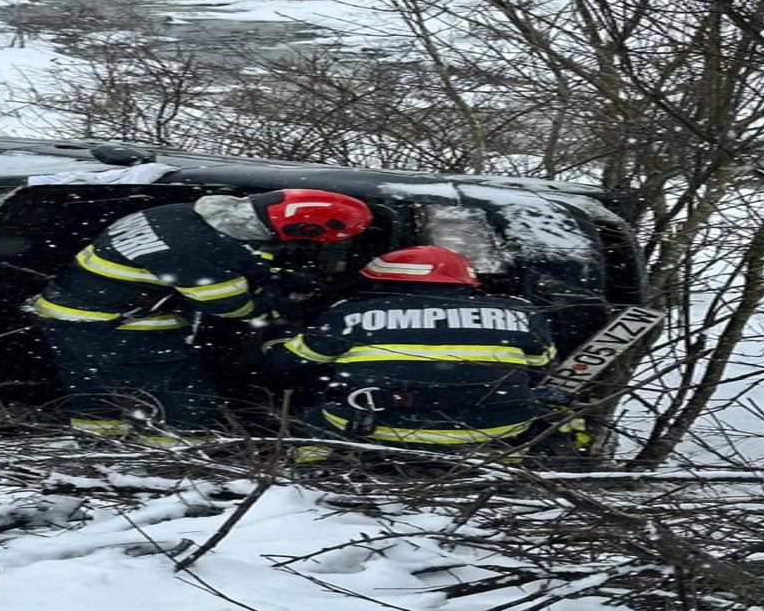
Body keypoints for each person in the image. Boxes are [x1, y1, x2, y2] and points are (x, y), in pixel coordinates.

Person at [31, 188, 373, 447]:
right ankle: (176, 462)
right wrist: (283, 305)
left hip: (66, 313)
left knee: (94, 392)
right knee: (186, 402)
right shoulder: (199, 250)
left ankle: (98, 452)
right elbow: (231, 308)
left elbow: (232, 258)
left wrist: (275, 275)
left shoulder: (177, 214)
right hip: (119, 325)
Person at [264, 245, 563, 465]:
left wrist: (272, 338)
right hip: (497, 427)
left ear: (386, 279)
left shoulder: (350, 314)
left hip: (385, 427)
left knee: (312, 420)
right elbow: (542, 365)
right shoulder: (520, 311)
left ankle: (311, 478)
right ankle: (504, 473)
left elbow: (289, 362)